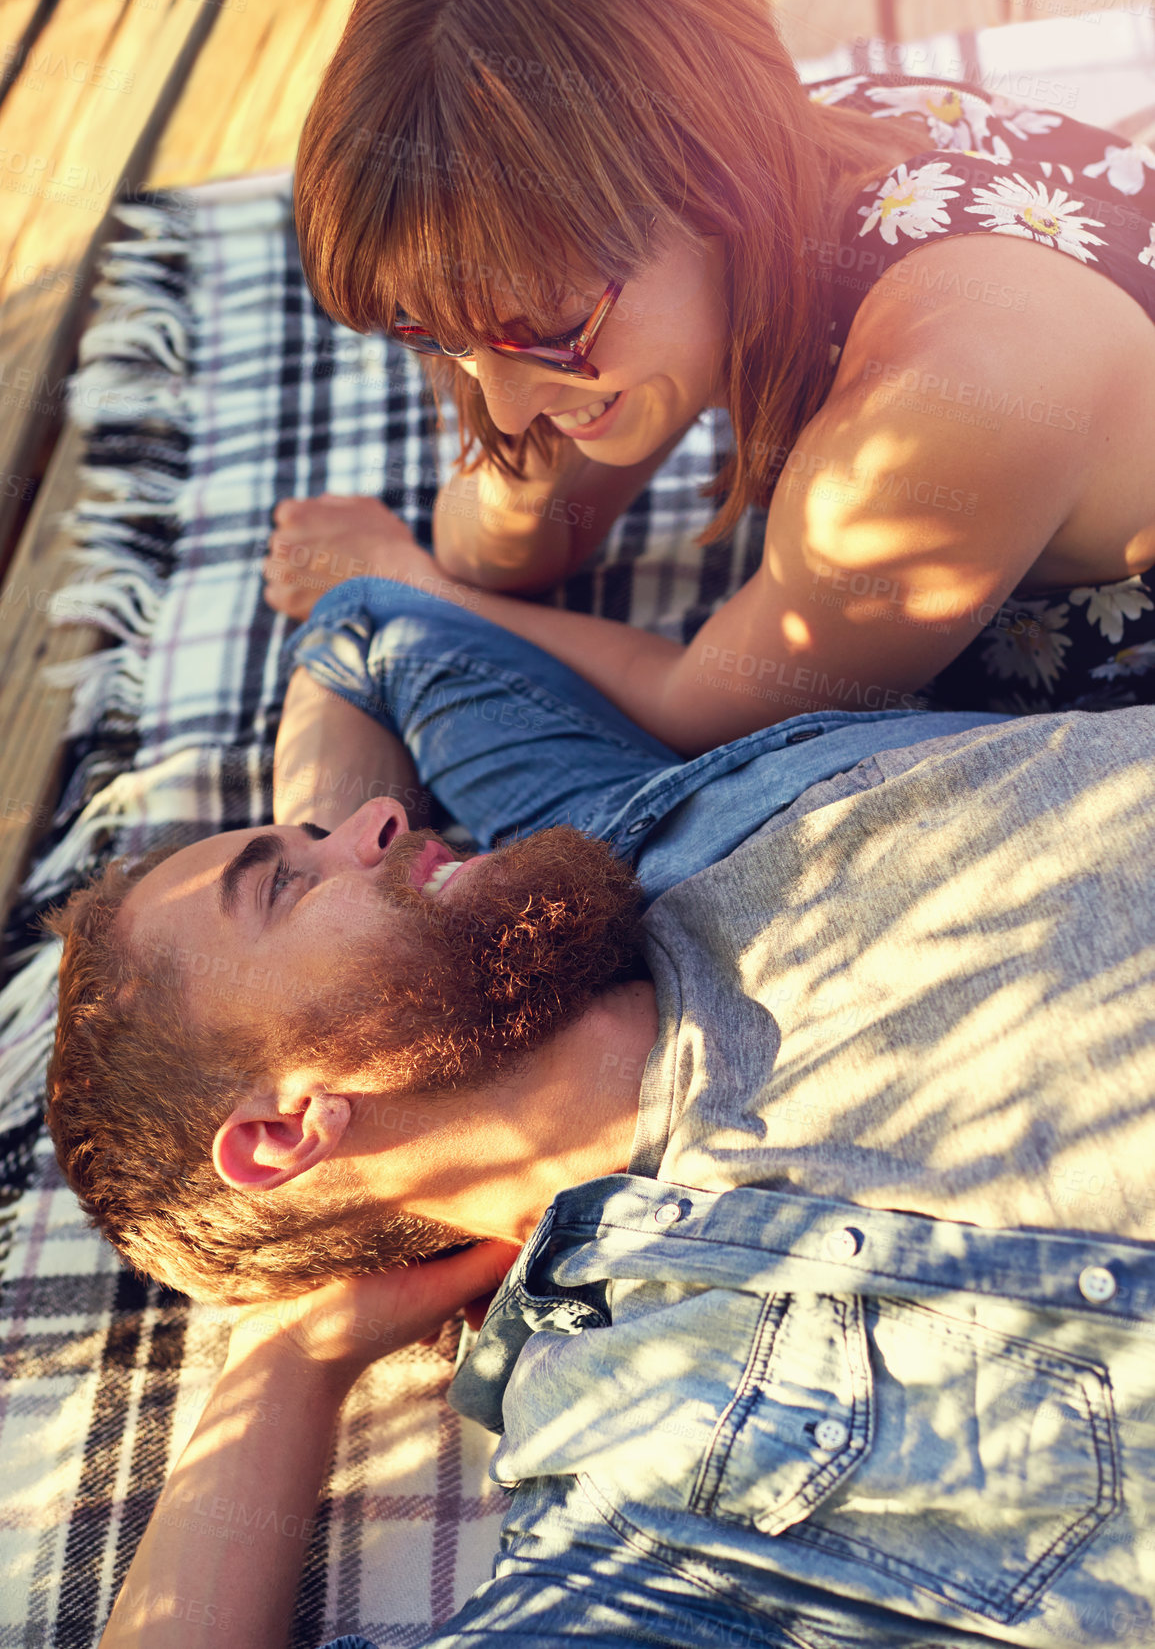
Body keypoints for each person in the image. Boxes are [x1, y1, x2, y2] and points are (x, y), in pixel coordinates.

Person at [45, 584, 1155, 1647]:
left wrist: (363, 935)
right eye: (285, 884)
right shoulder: (669, 1442)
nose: (378, 817)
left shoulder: (622, 849)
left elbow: (365, 632)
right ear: (284, 1134)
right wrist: (288, 1361)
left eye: (312, 834)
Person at [260, 0, 1155, 751]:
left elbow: (705, 711)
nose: (503, 402)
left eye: (555, 328)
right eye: (433, 336)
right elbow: (501, 545)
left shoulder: (939, 405)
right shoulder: (793, 150)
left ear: (709, 180)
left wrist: (405, 586)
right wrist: (518, 330)